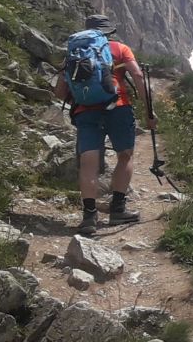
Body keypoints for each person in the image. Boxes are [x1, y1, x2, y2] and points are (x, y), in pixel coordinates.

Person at [54, 15, 158, 235]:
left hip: (85, 112)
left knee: (88, 162)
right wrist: (149, 112)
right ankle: (118, 210)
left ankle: (89, 216)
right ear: (108, 31)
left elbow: (59, 91)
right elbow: (138, 76)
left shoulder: (74, 52)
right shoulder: (120, 49)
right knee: (125, 155)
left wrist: (82, 100)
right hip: (118, 108)